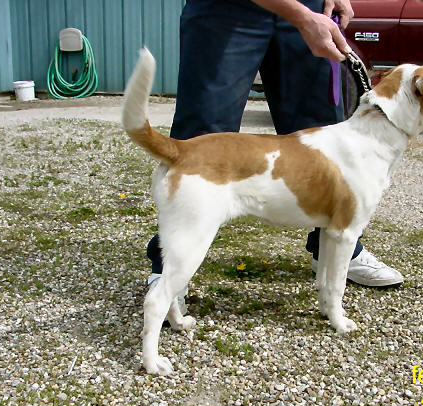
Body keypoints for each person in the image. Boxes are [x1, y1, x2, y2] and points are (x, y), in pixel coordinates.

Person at [147, 0, 404, 304]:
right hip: (226, 11)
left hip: (311, 8)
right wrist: (300, 15)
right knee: (203, 135)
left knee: (323, 133)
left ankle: (337, 248)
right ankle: (170, 268)